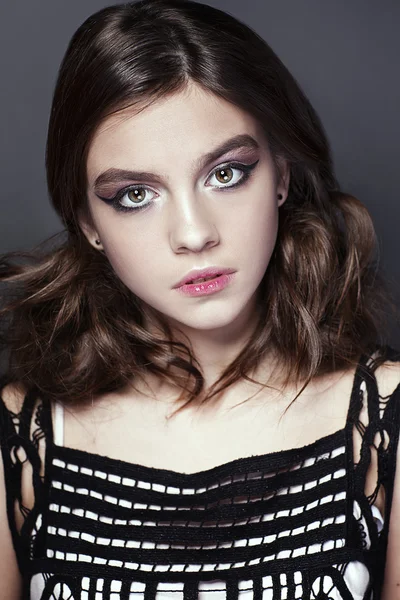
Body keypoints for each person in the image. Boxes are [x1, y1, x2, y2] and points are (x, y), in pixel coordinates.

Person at [0, 0, 399, 598]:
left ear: (282, 174)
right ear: (86, 222)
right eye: (135, 194)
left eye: (226, 173)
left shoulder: (383, 420)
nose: (193, 233)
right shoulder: (22, 439)